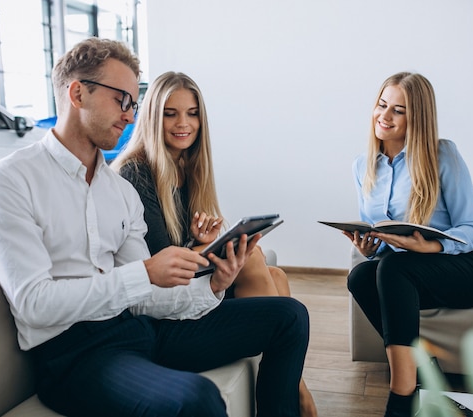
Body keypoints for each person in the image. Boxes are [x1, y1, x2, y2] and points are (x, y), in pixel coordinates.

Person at [0, 37, 310, 417]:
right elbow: (34, 305)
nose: (131, 115)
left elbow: (147, 299)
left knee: (288, 317)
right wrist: (143, 273)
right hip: (78, 355)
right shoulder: (8, 181)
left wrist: (215, 286)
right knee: (196, 399)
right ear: (78, 93)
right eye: (122, 100)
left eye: (134, 103)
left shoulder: (119, 192)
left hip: (140, 330)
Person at [111, 71, 318, 417]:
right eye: (170, 113)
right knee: (254, 262)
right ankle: (298, 392)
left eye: (192, 113)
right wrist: (208, 249)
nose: (183, 123)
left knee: (275, 275)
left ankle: (291, 390)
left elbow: (179, 246)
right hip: (160, 315)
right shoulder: (136, 173)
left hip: (182, 294)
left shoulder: (186, 166)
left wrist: (203, 241)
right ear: (152, 116)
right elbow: (157, 261)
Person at [343, 72, 473, 417]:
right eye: (382, 105)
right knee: (360, 276)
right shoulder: (362, 166)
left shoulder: (441, 154)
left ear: (417, 117)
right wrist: (370, 247)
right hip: (408, 269)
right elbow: (381, 235)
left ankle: (403, 395)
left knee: (396, 267)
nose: (384, 117)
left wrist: (430, 248)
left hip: (471, 265)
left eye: (398, 110)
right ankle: (424, 369)